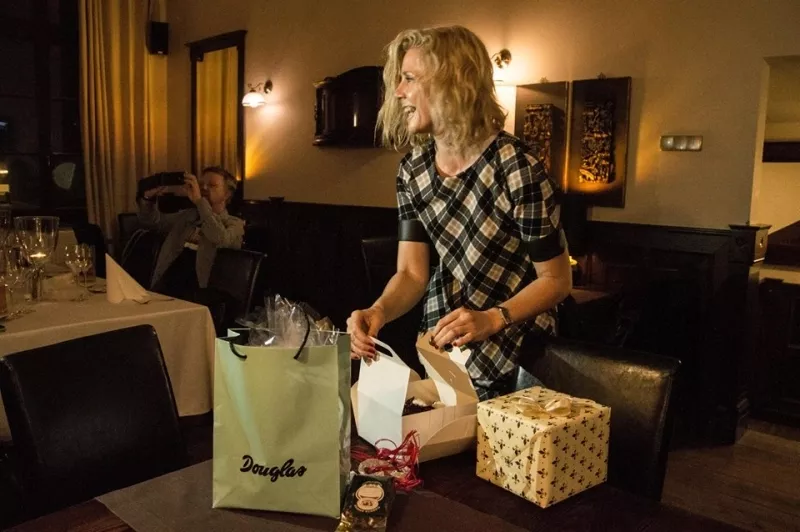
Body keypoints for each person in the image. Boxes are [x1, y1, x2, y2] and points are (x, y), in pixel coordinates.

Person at [347, 26, 572, 400]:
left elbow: (556, 280)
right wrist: (379, 311)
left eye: (409, 78)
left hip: (519, 359)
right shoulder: (413, 170)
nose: (398, 92)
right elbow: (411, 273)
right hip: (445, 352)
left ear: (454, 81)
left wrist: (492, 318)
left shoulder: (516, 167)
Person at [137, 166, 244, 299]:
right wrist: (148, 199)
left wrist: (200, 202)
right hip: (167, 287)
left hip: (202, 294)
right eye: (201, 184)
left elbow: (219, 239)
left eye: (212, 185)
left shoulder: (235, 224)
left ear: (227, 194)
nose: (204, 188)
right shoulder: (188, 216)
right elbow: (152, 222)